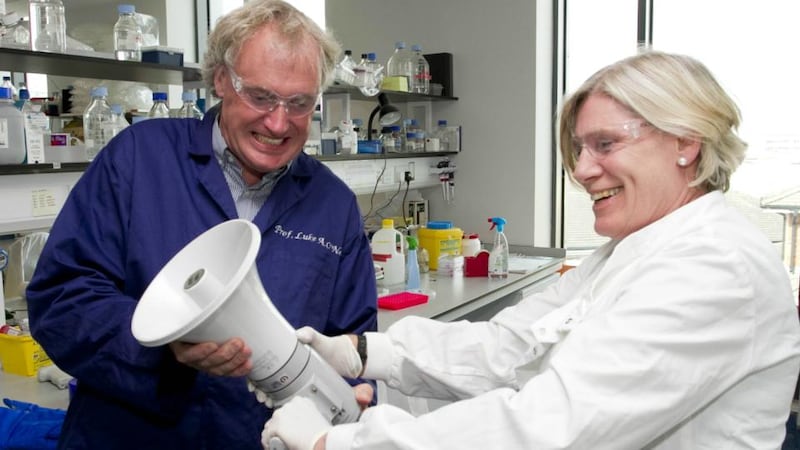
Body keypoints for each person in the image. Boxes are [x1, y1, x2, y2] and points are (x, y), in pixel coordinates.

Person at [263, 50, 800, 449]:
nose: (582, 170)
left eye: (606, 144)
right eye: (579, 148)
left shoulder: (714, 266)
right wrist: (366, 353)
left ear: (687, 142)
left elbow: (552, 426)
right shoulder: (626, 254)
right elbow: (507, 347)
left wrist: (337, 444)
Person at [25, 1, 377, 448]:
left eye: (300, 103)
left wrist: (358, 395)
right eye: (261, 96)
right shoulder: (137, 160)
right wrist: (162, 346)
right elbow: (60, 300)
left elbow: (355, 344)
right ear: (221, 81)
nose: (278, 121)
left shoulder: (334, 205)